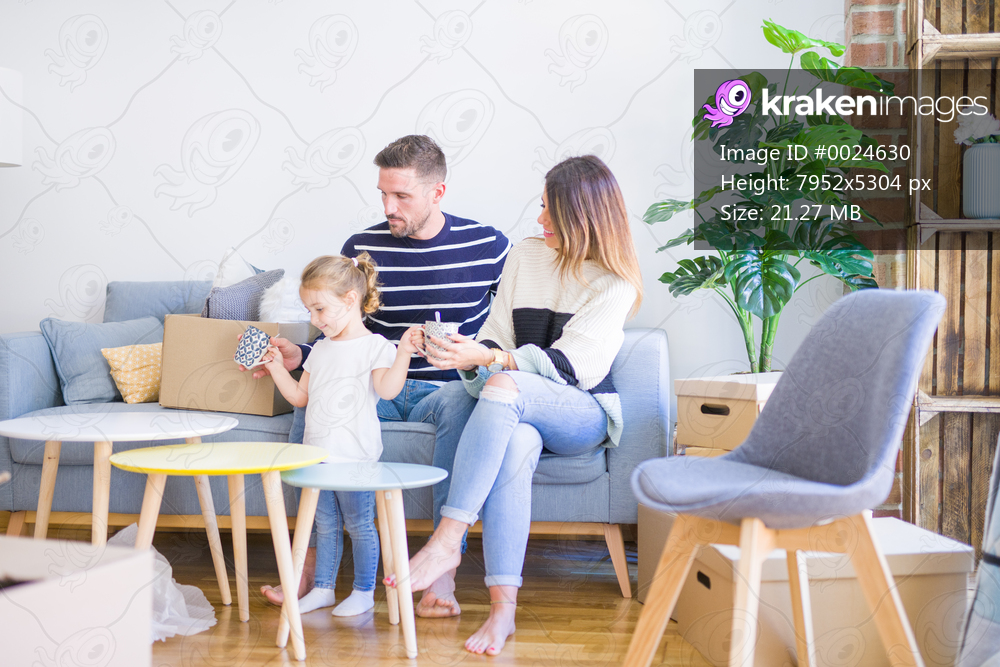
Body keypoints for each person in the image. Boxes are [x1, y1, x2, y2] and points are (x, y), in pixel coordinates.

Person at [385, 155, 643, 655]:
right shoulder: (526, 256)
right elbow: (497, 336)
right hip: (521, 404)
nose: (540, 219)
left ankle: (445, 544)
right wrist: (468, 355)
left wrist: (495, 359)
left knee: (503, 386)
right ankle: (501, 611)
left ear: (583, 218)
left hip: (581, 411)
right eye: (542, 208)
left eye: (552, 212)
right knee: (468, 403)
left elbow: (576, 368)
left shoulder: (615, 281)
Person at [251, 135, 511, 617]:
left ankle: (441, 577)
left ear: (438, 193)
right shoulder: (362, 247)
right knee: (308, 411)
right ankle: (305, 567)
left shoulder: (489, 245)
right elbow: (344, 334)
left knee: (463, 412)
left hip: (445, 387)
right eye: (383, 194)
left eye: (402, 196)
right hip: (377, 382)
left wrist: (487, 355)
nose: (389, 206)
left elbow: (513, 323)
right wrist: (298, 355)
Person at [261, 253, 423, 616]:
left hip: (356, 458)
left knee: (360, 524)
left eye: (320, 309)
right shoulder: (319, 349)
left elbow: (389, 390)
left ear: (350, 299)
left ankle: (364, 592)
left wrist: (405, 354)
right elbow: (300, 397)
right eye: (309, 311)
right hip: (317, 455)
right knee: (326, 523)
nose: (314, 320)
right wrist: (275, 367)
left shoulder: (375, 346)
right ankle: (323, 588)